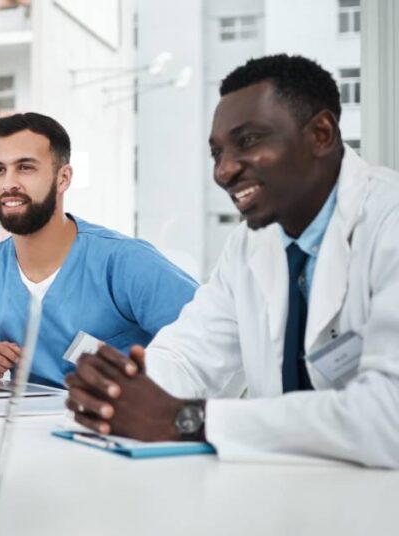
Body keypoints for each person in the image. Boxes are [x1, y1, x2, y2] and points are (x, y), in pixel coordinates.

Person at [66, 54, 399, 468]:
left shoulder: (389, 222)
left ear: (321, 134)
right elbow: (190, 357)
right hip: (287, 491)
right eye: (216, 153)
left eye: (248, 141)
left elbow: (390, 416)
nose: (223, 172)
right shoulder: (248, 246)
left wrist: (188, 420)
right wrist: (122, 390)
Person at [0, 112, 197, 387]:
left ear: (63, 178)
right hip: (23, 426)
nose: (8, 183)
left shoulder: (126, 262)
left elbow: (211, 345)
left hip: (115, 424)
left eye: (25, 167)